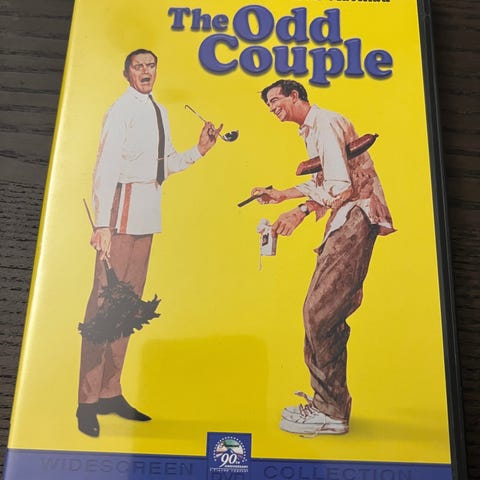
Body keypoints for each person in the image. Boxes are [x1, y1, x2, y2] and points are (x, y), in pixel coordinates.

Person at [76, 48, 222, 437]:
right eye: (138, 67)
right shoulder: (120, 110)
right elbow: (105, 166)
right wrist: (103, 224)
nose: (146, 72)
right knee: (104, 307)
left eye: (151, 66)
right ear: (126, 73)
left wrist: (200, 150)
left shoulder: (160, 111)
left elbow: (164, 165)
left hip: (147, 213)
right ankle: (87, 402)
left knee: (128, 309)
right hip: (120, 213)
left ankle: (110, 392)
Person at [252, 79, 394, 436]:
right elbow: (328, 183)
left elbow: (340, 187)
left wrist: (299, 211)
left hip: (355, 218)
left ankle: (330, 410)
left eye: (275, 100)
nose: (272, 108)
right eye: (268, 105)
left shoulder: (326, 123)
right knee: (322, 314)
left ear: (295, 95)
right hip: (345, 220)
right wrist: (281, 195)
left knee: (320, 313)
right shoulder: (312, 130)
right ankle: (328, 405)